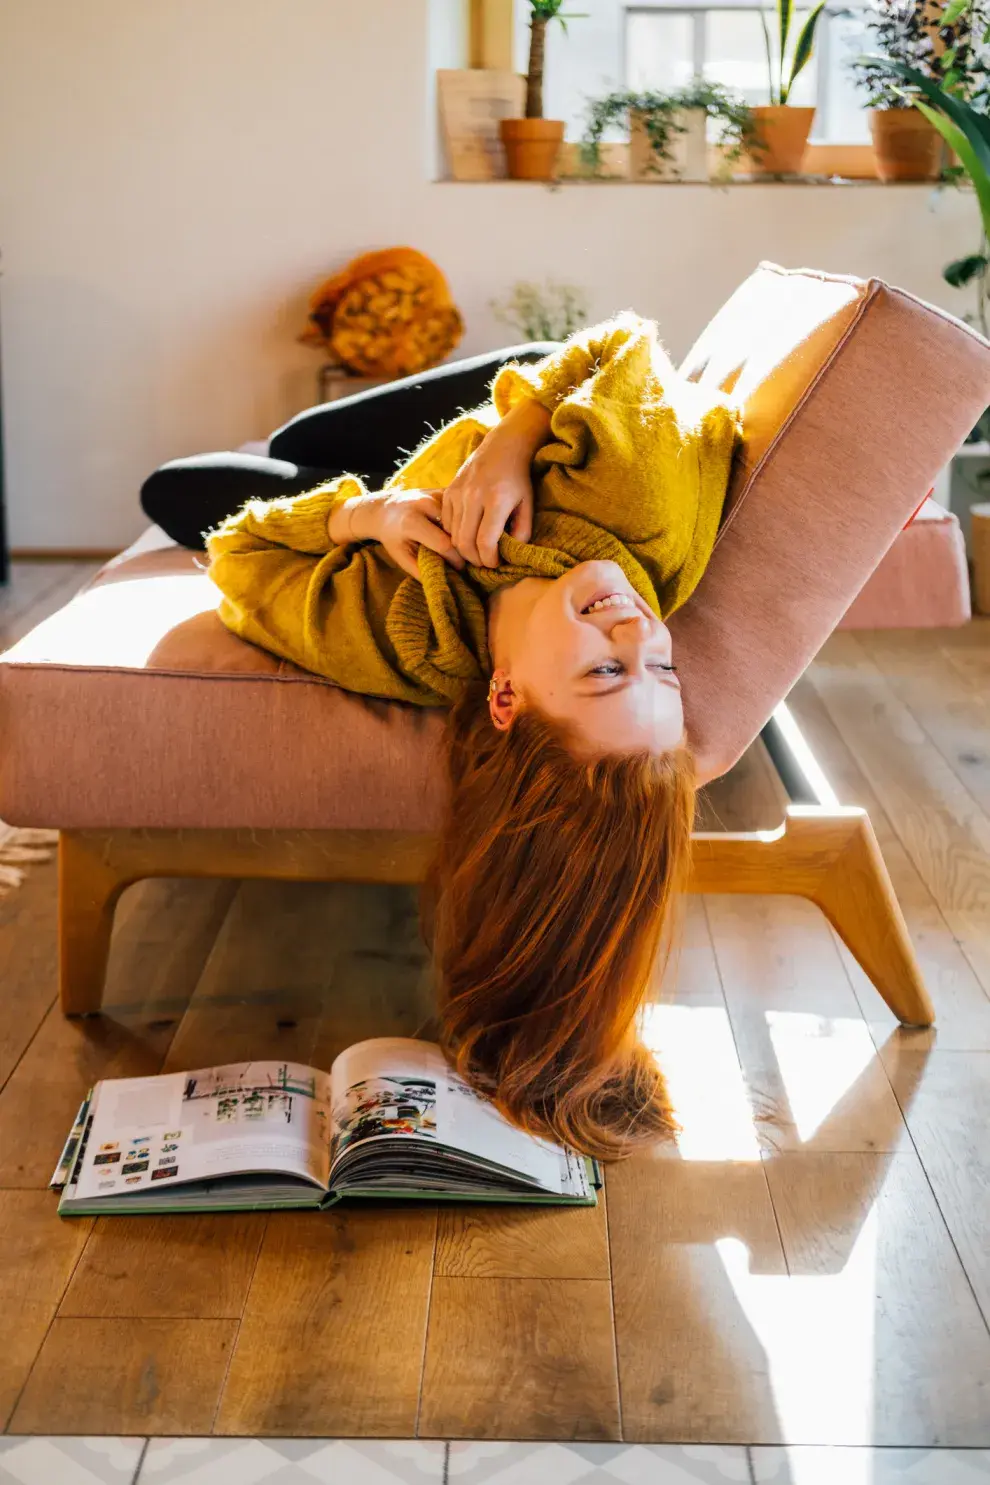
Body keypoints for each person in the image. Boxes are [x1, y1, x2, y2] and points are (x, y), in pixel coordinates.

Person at [140, 316, 741, 1159]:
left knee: (177, 489)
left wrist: (364, 517)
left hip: (406, 486)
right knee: (306, 435)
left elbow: (238, 558)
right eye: (663, 672)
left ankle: (353, 477)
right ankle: (414, 447)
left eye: (607, 673)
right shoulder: (636, 515)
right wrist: (513, 436)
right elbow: (630, 339)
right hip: (526, 401)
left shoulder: (408, 638)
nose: (639, 633)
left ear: (504, 698)